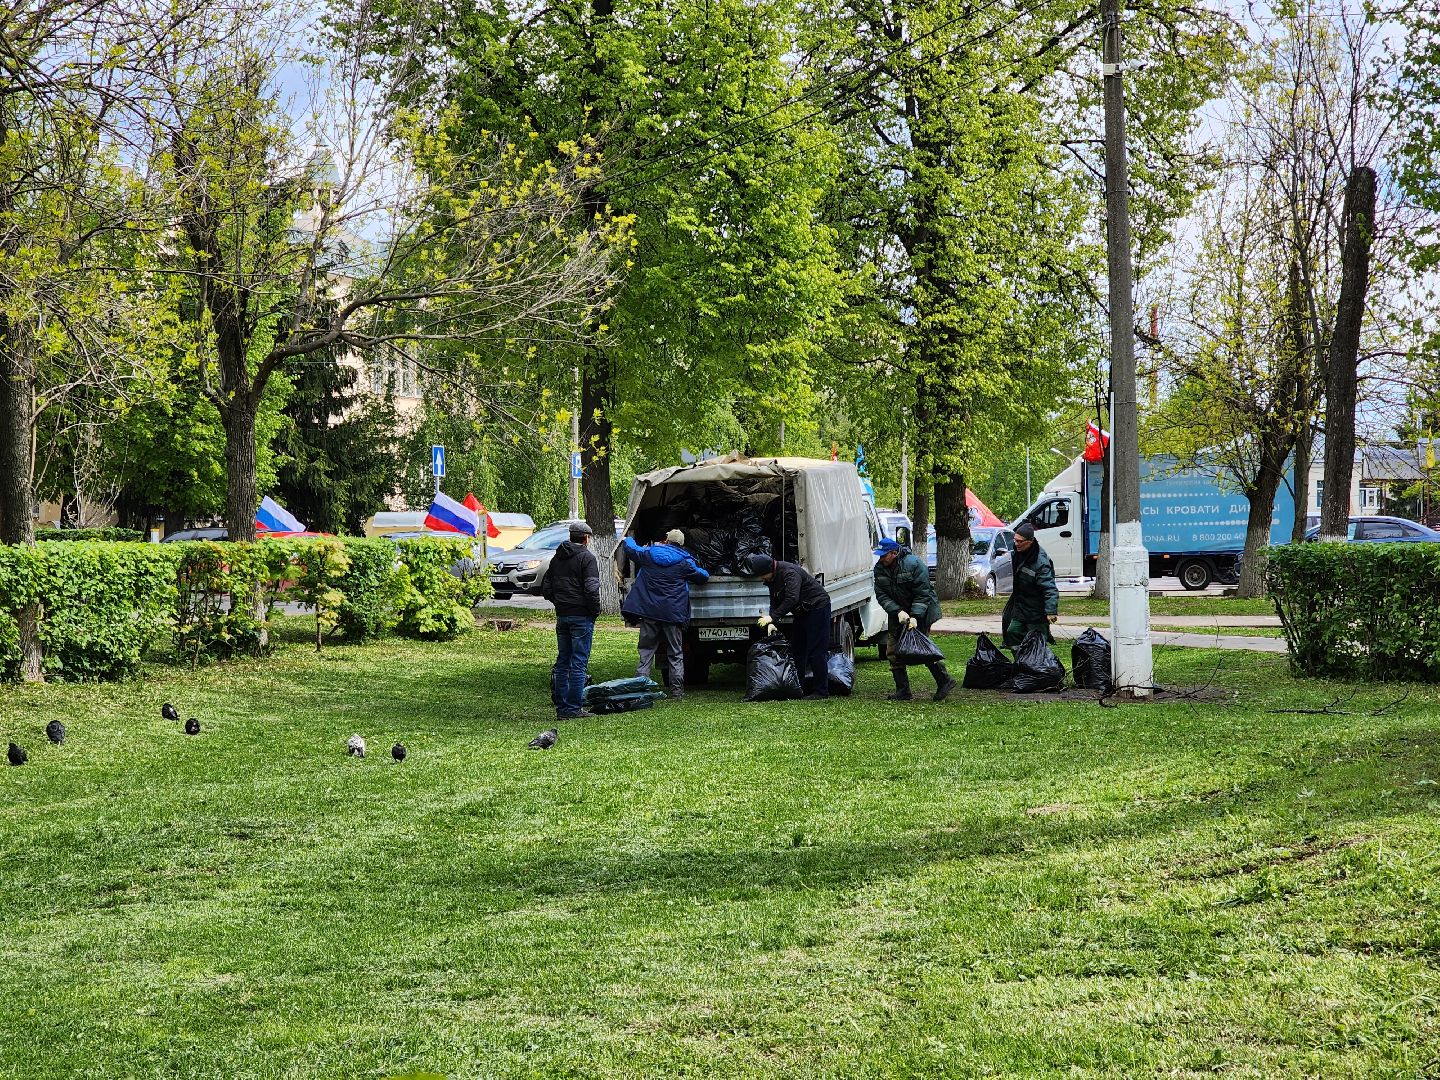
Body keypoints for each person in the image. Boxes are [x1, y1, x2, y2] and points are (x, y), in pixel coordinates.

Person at [621, 528, 710, 699]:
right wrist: (706, 571)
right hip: (672, 614)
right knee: (675, 653)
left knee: (646, 651)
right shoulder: (684, 562)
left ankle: (640, 689)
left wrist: (627, 539)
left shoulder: (649, 554)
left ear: (666, 540)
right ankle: (676, 692)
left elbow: (631, 549)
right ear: (681, 544)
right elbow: (702, 577)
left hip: (650, 612)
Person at [872, 537, 954, 701]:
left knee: (922, 649)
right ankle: (903, 691)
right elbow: (882, 595)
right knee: (892, 651)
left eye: (884, 555)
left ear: (893, 553)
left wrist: (915, 616)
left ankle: (945, 680)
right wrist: (898, 611)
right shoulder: (880, 569)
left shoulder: (914, 564)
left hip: (923, 611)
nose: (881, 559)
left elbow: (923, 593)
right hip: (898, 614)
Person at [742, 552, 832, 700]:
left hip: (817, 608)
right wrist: (772, 622)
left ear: (769, 570)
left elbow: (792, 598)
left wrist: (773, 617)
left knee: (816, 651)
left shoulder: (789, 573)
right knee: (798, 650)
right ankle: (799, 687)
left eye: (762, 576)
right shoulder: (772, 578)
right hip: (802, 611)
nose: (761, 579)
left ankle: (821, 691)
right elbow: (774, 601)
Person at [542, 521, 601, 719]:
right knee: (579, 663)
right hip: (581, 616)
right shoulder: (587, 558)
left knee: (563, 661)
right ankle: (573, 708)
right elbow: (591, 589)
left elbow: (546, 587)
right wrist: (594, 610)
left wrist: (559, 602)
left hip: (563, 614)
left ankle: (562, 708)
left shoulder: (556, 558)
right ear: (586, 538)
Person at [1003, 522, 1059, 648]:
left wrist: (1051, 611)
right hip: (1021, 607)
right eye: (1015, 540)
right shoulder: (1018, 552)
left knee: (1037, 643)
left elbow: (1049, 588)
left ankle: (1038, 659)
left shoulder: (1041, 562)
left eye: (1020, 541)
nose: (1016, 544)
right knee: (1012, 632)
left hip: (1036, 611)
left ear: (1030, 541)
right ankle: (1022, 658)